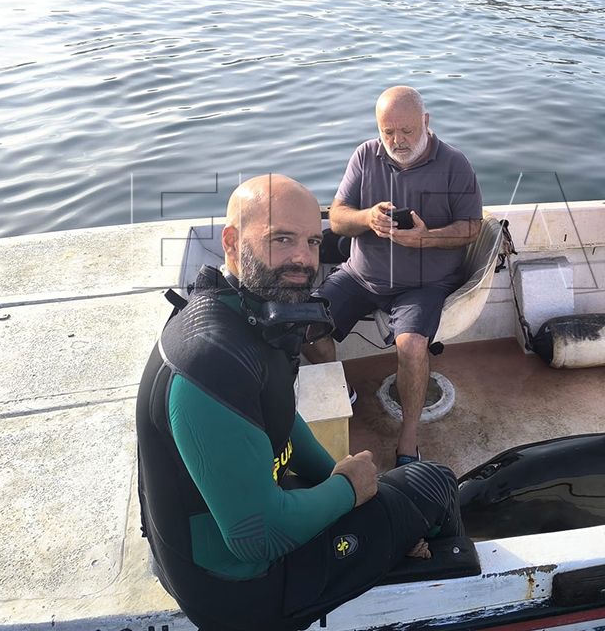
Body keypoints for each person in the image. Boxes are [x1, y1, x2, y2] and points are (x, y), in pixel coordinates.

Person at [135, 174, 463, 631]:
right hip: (246, 593)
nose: (303, 260)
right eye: (282, 239)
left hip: (204, 544)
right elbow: (258, 538)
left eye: (312, 241)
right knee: (432, 482)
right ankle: (445, 584)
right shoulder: (211, 363)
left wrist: (339, 476)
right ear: (231, 242)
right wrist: (349, 489)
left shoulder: (241, 314)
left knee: (371, 491)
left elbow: (279, 417)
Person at [307, 86, 482, 467]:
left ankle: (408, 440)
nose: (397, 141)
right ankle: (344, 390)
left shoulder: (455, 164)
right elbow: (337, 217)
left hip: (423, 285)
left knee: (412, 347)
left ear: (426, 121)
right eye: (388, 132)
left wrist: (426, 239)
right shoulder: (364, 156)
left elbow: (472, 228)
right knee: (309, 325)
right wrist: (366, 217)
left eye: (406, 131)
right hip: (360, 274)